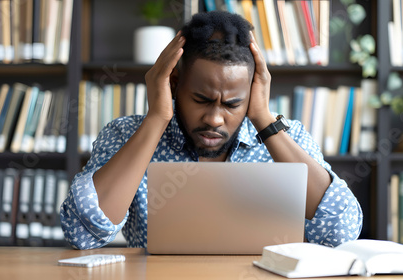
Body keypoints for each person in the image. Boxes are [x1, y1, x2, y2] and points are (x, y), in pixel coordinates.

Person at [60, 11, 363, 250]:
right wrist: (156, 118)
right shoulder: (126, 135)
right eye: (201, 100)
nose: (215, 119)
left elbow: (340, 234)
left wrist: (264, 120)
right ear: (174, 85)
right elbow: (81, 235)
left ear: (253, 94)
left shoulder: (288, 138)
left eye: (232, 104)